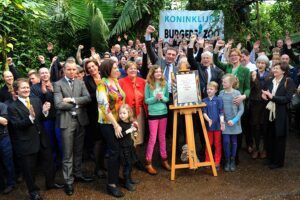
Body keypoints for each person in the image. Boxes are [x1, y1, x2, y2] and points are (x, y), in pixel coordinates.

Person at [8, 78, 63, 200]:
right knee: (29, 169)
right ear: (16, 90)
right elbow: (17, 125)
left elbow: (41, 119)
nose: (26, 89)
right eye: (23, 87)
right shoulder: (12, 107)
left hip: (42, 139)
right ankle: (33, 192)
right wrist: (30, 118)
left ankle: (50, 183)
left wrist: (44, 112)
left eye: (27, 87)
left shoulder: (36, 100)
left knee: (49, 163)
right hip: (26, 142)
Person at [54, 58, 93, 196]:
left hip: (81, 121)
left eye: (74, 69)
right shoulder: (58, 84)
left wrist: (72, 100)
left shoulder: (80, 82)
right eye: (69, 69)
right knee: (67, 153)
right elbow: (58, 104)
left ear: (77, 70)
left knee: (78, 150)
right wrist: (78, 103)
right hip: (66, 123)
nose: (71, 72)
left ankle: (78, 174)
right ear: (64, 70)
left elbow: (88, 98)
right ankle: (68, 181)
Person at [214, 41, 251, 157]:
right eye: (231, 56)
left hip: (238, 102)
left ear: (240, 57)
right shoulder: (228, 66)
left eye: (235, 56)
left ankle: (235, 156)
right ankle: (226, 155)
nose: (233, 57)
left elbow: (248, 88)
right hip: (226, 101)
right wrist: (216, 48)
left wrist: (243, 96)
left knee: (237, 130)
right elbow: (215, 61)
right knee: (225, 128)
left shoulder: (245, 70)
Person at [96, 59, 125, 198]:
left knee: (118, 151)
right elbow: (104, 107)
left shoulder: (116, 81)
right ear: (108, 70)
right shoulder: (102, 85)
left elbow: (121, 101)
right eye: (115, 67)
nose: (118, 69)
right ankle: (111, 185)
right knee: (114, 151)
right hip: (108, 123)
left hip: (118, 122)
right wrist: (116, 125)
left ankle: (114, 177)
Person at [262, 62, 295, 169]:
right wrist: (264, 96)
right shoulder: (269, 80)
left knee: (279, 137)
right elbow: (265, 92)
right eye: (274, 68)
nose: (274, 70)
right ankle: (270, 158)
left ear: (283, 71)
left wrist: (272, 97)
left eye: (277, 68)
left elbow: (287, 98)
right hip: (269, 112)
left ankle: (278, 162)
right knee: (269, 136)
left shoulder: (288, 81)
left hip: (281, 114)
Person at [31, 67, 63, 169]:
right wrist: (44, 93)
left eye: (46, 73)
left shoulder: (56, 84)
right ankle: (53, 163)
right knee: (50, 142)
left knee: (60, 140)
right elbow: (35, 103)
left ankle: (64, 162)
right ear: (39, 76)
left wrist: (53, 91)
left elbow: (62, 99)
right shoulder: (35, 88)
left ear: (49, 74)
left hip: (58, 117)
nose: (44, 75)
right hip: (45, 119)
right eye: (42, 73)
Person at [144, 65, 170, 175]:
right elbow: (146, 100)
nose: (158, 73)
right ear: (152, 73)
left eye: (160, 71)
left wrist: (162, 98)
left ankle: (164, 159)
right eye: (156, 72)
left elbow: (167, 98)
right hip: (153, 113)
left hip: (163, 112)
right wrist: (155, 98)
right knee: (153, 138)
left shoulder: (164, 83)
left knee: (162, 137)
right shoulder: (148, 84)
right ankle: (148, 162)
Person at [83, 59, 106, 179]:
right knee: (98, 141)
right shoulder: (86, 80)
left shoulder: (105, 76)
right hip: (94, 114)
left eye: (93, 66)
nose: (92, 69)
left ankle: (103, 164)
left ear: (98, 66)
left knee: (106, 140)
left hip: (108, 113)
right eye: (89, 68)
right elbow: (87, 97)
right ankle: (97, 168)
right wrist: (100, 92)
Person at [219, 74, 244, 172]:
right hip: (224, 123)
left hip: (235, 123)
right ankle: (227, 160)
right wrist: (222, 120)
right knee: (225, 142)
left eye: (224, 82)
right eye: (222, 82)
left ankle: (233, 160)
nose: (222, 83)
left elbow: (241, 109)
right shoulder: (221, 93)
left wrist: (234, 120)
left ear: (231, 83)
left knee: (234, 142)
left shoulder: (237, 93)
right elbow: (219, 108)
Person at [249, 55, 272, 159]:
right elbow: (253, 89)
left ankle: (264, 149)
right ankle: (256, 148)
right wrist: (253, 79)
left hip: (266, 104)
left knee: (264, 127)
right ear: (256, 63)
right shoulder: (252, 74)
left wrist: (255, 80)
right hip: (255, 105)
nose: (260, 65)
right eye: (259, 63)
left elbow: (267, 89)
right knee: (255, 127)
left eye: (263, 63)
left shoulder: (270, 74)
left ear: (266, 64)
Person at [119, 61, 147, 146]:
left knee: (139, 132)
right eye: (131, 68)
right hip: (127, 111)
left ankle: (137, 152)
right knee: (129, 133)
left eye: (135, 68)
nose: (133, 70)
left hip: (139, 110)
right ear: (126, 70)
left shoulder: (142, 81)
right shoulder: (121, 82)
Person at [202, 81, 225, 170]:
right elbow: (204, 112)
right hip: (208, 127)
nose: (209, 91)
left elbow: (221, 112)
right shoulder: (204, 100)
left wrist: (222, 122)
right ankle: (207, 161)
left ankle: (217, 162)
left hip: (218, 126)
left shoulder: (219, 99)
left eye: (211, 89)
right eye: (208, 89)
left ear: (216, 90)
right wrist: (208, 120)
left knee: (217, 144)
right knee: (208, 143)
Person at [117, 104, 139, 191]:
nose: (122, 115)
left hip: (130, 146)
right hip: (123, 148)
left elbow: (135, 134)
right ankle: (126, 182)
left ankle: (129, 179)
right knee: (126, 164)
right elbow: (119, 136)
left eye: (124, 113)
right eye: (120, 113)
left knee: (130, 164)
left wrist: (135, 130)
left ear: (129, 113)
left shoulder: (129, 123)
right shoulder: (119, 125)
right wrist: (128, 130)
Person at [0, 102, 15, 194]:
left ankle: (11, 183)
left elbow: (5, 122)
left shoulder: (2, 106)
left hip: (3, 138)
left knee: (7, 162)